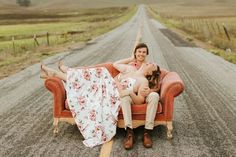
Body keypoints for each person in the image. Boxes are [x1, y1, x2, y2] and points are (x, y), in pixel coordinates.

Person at [40, 58, 160, 148]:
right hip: (107, 86)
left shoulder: (143, 81)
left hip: (114, 92)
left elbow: (139, 100)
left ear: (150, 73)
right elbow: (115, 66)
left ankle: (59, 73)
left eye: (153, 65)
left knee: (101, 72)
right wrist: (130, 59)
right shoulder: (131, 69)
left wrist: (128, 91)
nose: (150, 62)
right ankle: (62, 73)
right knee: (91, 80)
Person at [113, 43, 161, 149]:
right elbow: (117, 70)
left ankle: (147, 132)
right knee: (125, 97)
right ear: (135, 53)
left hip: (144, 92)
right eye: (139, 52)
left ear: (147, 54)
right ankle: (130, 133)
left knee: (154, 96)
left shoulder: (150, 66)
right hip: (131, 92)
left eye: (144, 52)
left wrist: (150, 90)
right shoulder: (131, 65)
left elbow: (157, 84)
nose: (141, 54)